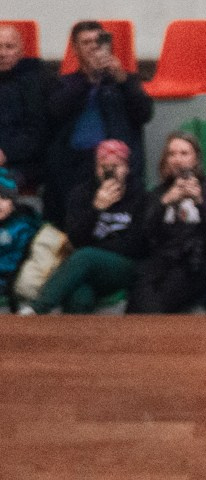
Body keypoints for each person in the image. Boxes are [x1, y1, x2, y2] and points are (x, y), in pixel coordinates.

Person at [44, 21, 154, 228]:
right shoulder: (63, 82)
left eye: (98, 41)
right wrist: (89, 80)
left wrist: (123, 81)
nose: (94, 47)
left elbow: (144, 114)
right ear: (75, 49)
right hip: (75, 166)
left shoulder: (125, 81)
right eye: (86, 42)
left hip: (116, 165)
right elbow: (55, 112)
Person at [26, 139, 146, 314]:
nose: (110, 172)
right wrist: (96, 209)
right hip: (87, 266)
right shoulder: (82, 194)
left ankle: (37, 309)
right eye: (104, 167)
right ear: (96, 169)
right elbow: (75, 238)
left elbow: (135, 244)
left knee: (85, 256)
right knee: (79, 295)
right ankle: (75, 333)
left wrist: (95, 250)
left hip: (124, 266)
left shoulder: (140, 195)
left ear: (126, 168)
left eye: (116, 166)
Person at [127, 131, 206, 314]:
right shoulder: (158, 194)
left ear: (196, 159)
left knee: (157, 303)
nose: (177, 159)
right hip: (160, 262)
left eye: (184, 153)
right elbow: (140, 235)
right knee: (137, 301)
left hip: (197, 263)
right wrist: (164, 203)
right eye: (172, 154)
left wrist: (199, 203)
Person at [0, 24, 49, 195]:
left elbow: (38, 133)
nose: (2, 53)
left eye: (9, 47)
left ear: (21, 51)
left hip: (24, 163)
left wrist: (6, 153)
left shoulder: (36, 82)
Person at [0, 169, 42, 309]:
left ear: (13, 202)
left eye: (4, 198)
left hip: (9, 282)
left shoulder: (23, 226)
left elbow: (17, 261)